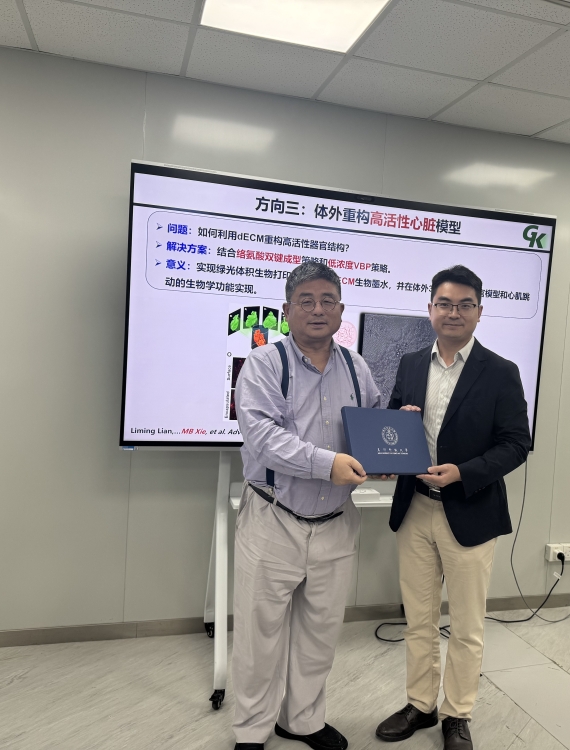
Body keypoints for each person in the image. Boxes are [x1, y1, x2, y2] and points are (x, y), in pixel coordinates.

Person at [375, 265, 531, 750]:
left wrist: (463, 472)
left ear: (479, 312)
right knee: (419, 619)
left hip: (470, 509)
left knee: (466, 625)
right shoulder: (410, 364)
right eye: (444, 304)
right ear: (430, 310)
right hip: (415, 507)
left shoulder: (501, 371)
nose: (453, 313)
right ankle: (420, 705)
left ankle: (457, 713)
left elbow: (516, 444)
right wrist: (398, 423)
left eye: (465, 305)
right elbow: (393, 423)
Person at [232, 261, 383, 750]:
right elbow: (262, 438)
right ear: (286, 310)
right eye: (306, 301)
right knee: (259, 634)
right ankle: (251, 731)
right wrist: (328, 463)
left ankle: (301, 721)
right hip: (273, 517)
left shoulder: (357, 367)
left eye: (327, 301)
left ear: (341, 310)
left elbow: (369, 426)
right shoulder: (263, 364)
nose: (318, 310)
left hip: (336, 522)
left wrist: (389, 444)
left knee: (320, 633)